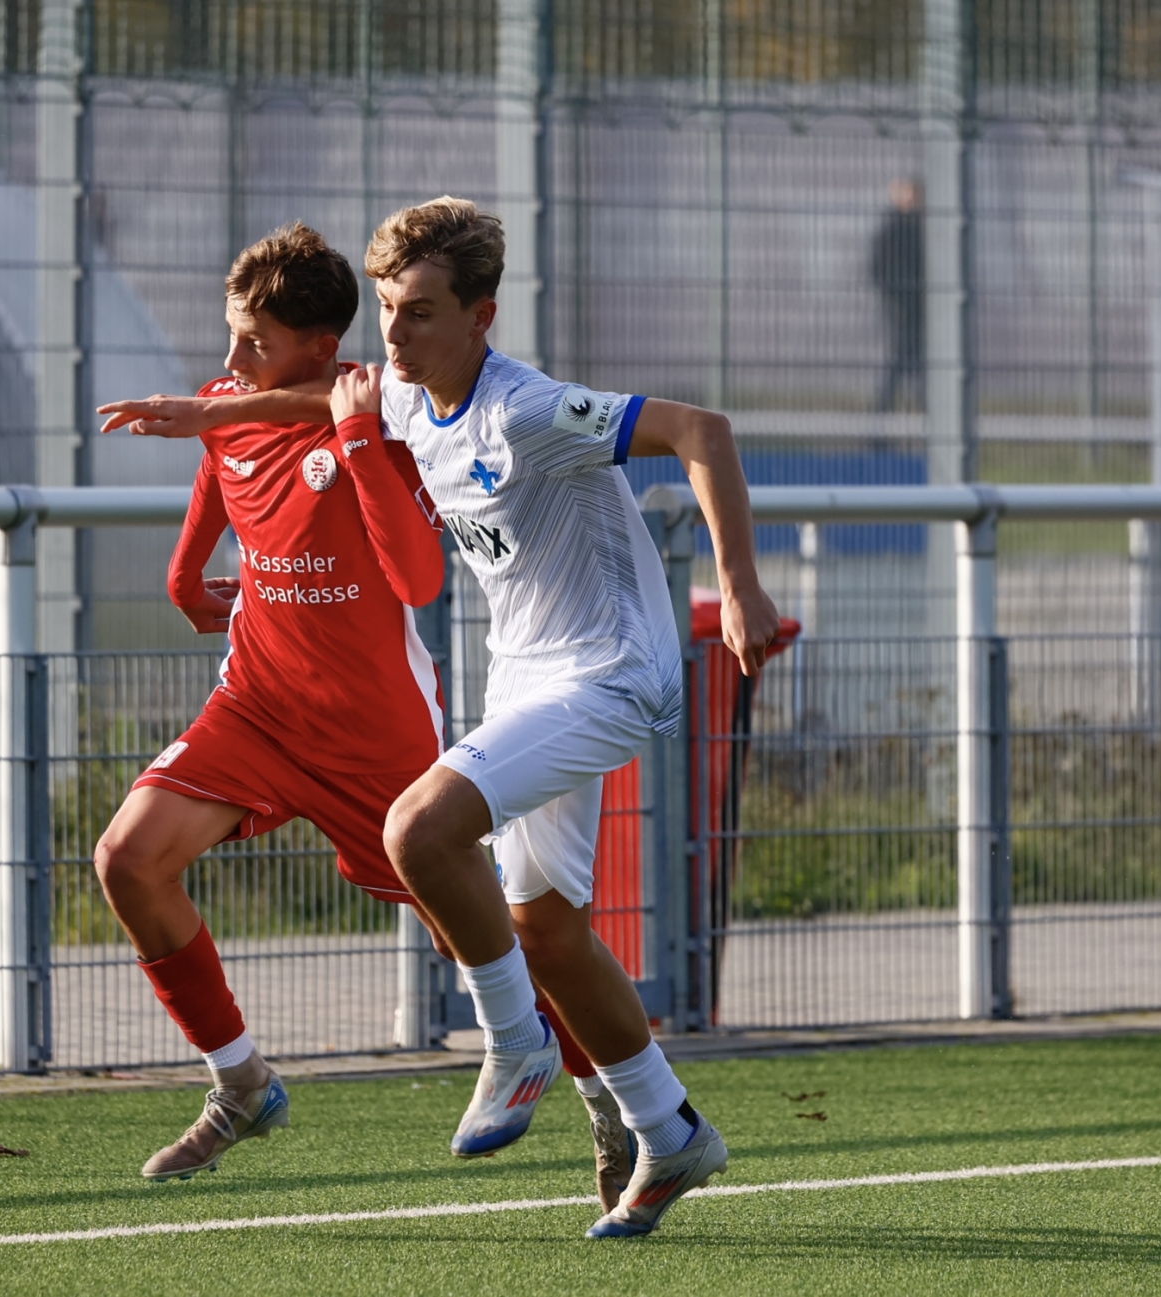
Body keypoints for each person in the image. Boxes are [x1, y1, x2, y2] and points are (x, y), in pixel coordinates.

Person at [102, 198, 785, 1239]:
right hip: (523, 679)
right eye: (387, 308)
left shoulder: (528, 410)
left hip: (611, 673)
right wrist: (202, 417)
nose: (395, 333)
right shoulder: (407, 394)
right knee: (543, 928)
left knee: (419, 829)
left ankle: (512, 1046)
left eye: (419, 312)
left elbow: (703, 431)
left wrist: (739, 589)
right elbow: (322, 400)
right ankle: (668, 1126)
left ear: (481, 317)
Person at [91, 223, 610, 1193]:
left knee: (490, 938)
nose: (231, 359)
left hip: (374, 736)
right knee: (128, 857)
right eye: (231, 334)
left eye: (255, 342)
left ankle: (611, 1095)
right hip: (256, 706)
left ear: (321, 348)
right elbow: (220, 465)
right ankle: (241, 1083)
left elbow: (418, 581)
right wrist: (185, 575)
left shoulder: (380, 420)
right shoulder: (228, 403)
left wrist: (363, 443)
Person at [868, 177, 925, 414]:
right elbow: (878, 269)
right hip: (900, 306)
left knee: (913, 359)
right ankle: (885, 409)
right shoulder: (891, 228)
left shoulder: (921, 226)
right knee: (904, 357)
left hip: (919, 306)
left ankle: (888, 408)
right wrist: (896, 298)